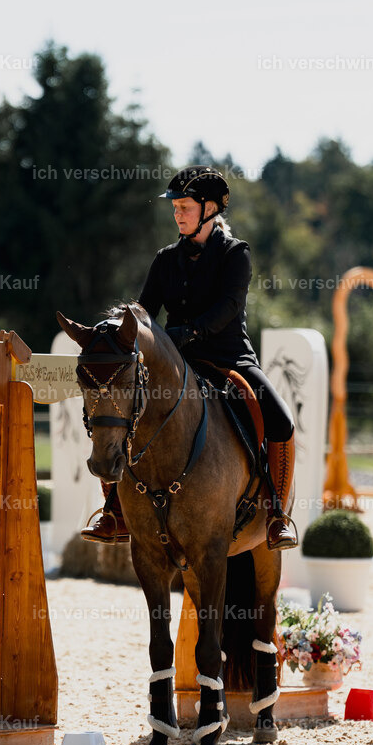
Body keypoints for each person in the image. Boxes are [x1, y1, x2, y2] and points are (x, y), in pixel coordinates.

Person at [82, 164, 298, 550]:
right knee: (120, 409)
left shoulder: (235, 253)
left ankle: (277, 515)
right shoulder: (165, 259)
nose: (177, 214)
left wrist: (187, 332)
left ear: (209, 209)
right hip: (174, 364)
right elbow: (144, 311)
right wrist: (118, 329)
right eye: (175, 207)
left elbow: (229, 307)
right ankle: (114, 510)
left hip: (229, 358)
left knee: (280, 420)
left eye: (185, 207)